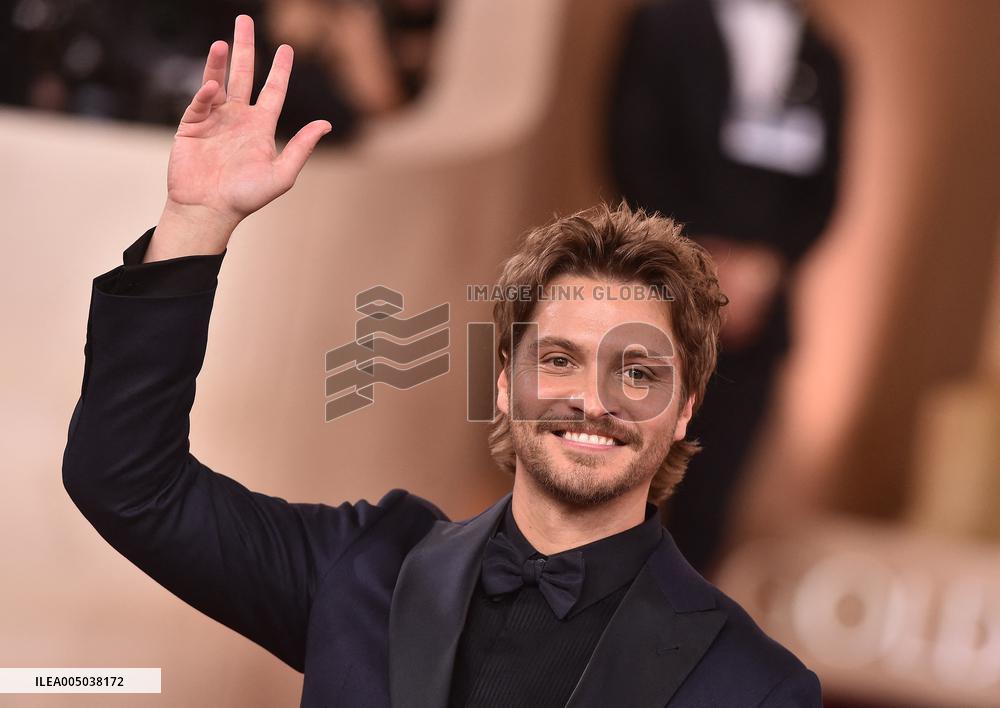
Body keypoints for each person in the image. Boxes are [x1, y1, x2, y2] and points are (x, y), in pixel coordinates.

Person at [62, 15, 821, 707]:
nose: (593, 398)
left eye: (638, 372)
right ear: (501, 381)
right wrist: (196, 222)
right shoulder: (364, 567)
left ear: (687, 405)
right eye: (558, 358)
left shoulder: (753, 686)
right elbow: (127, 480)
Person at [608, 0, 844, 574]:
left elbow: (826, 191)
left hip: (756, 322)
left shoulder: (823, 53)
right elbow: (633, 150)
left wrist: (766, 264)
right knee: (614, 490)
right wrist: (699, 259)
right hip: (658, 299)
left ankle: (669, 650)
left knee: (709, 512)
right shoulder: (663, 25)